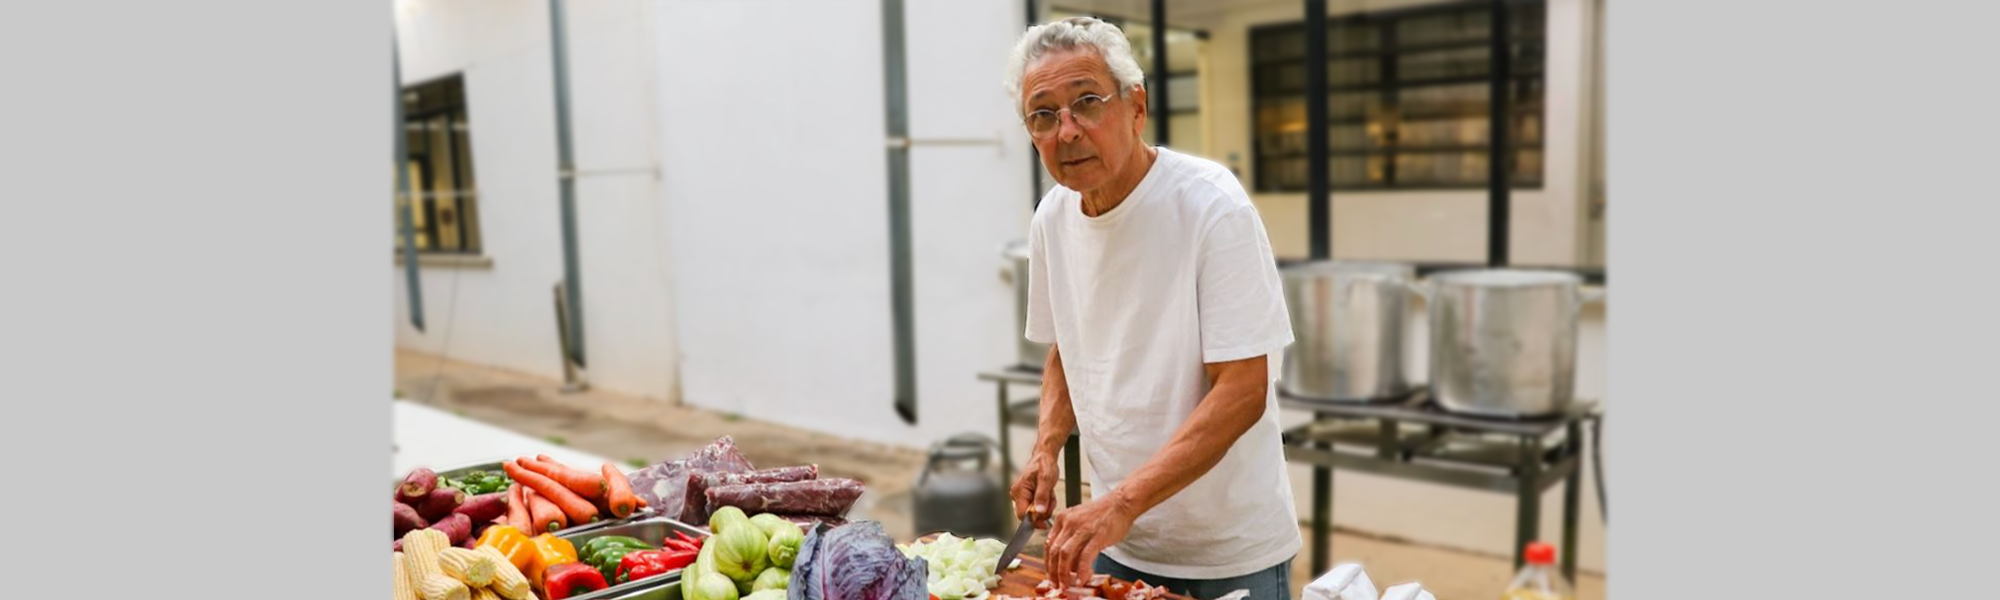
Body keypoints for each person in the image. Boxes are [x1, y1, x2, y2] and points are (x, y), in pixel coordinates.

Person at [1004, 16, 1300, 600]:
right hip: (1114, 543)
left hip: (1225, 553)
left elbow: (1243, 389)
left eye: (1087, 102)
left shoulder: (1210, 206)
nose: (1066, 131)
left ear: (1136, 107)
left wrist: (1121, 502)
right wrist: (1045, 447)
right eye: (1043, 115)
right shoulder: (1052, 218)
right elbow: (1068, 348)